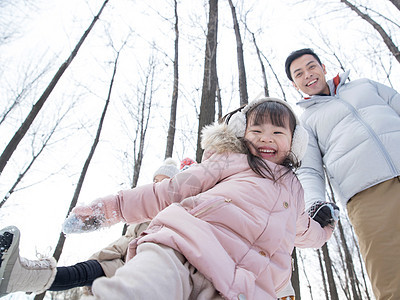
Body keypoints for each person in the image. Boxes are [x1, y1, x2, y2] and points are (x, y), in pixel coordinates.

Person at [1, 97, 336, 299]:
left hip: (245, 289)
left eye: (278, 132)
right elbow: (169, 192)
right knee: (134, 289)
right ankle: (24, 275)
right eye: (256, 130)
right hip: (182, 248)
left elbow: (305, 231)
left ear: (294, 142)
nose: (266, 138)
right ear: (241, 134)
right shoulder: (231, 162)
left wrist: (326, 226)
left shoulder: (294, 189)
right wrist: (108, 209)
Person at [285, 48, 400, 300]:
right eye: (299, 74)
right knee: (396, 283)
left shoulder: (366, 86)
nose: (308, 75)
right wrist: (314, 204)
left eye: (311, 66)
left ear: (323, 68)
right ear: (295, 84)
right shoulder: (306, 122)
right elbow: (309, 169)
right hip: (368, 197)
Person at [0, 158, 180, 297]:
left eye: (163, 181)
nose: (157, 184)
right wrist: (100, 256)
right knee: (78, 272)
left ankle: (20, 277)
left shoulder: (173, 213)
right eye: (155, 180)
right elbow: (123, 242)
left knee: (79, 273)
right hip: (116, 263)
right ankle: (20, 275)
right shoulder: (141, 214)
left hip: (138, 272)